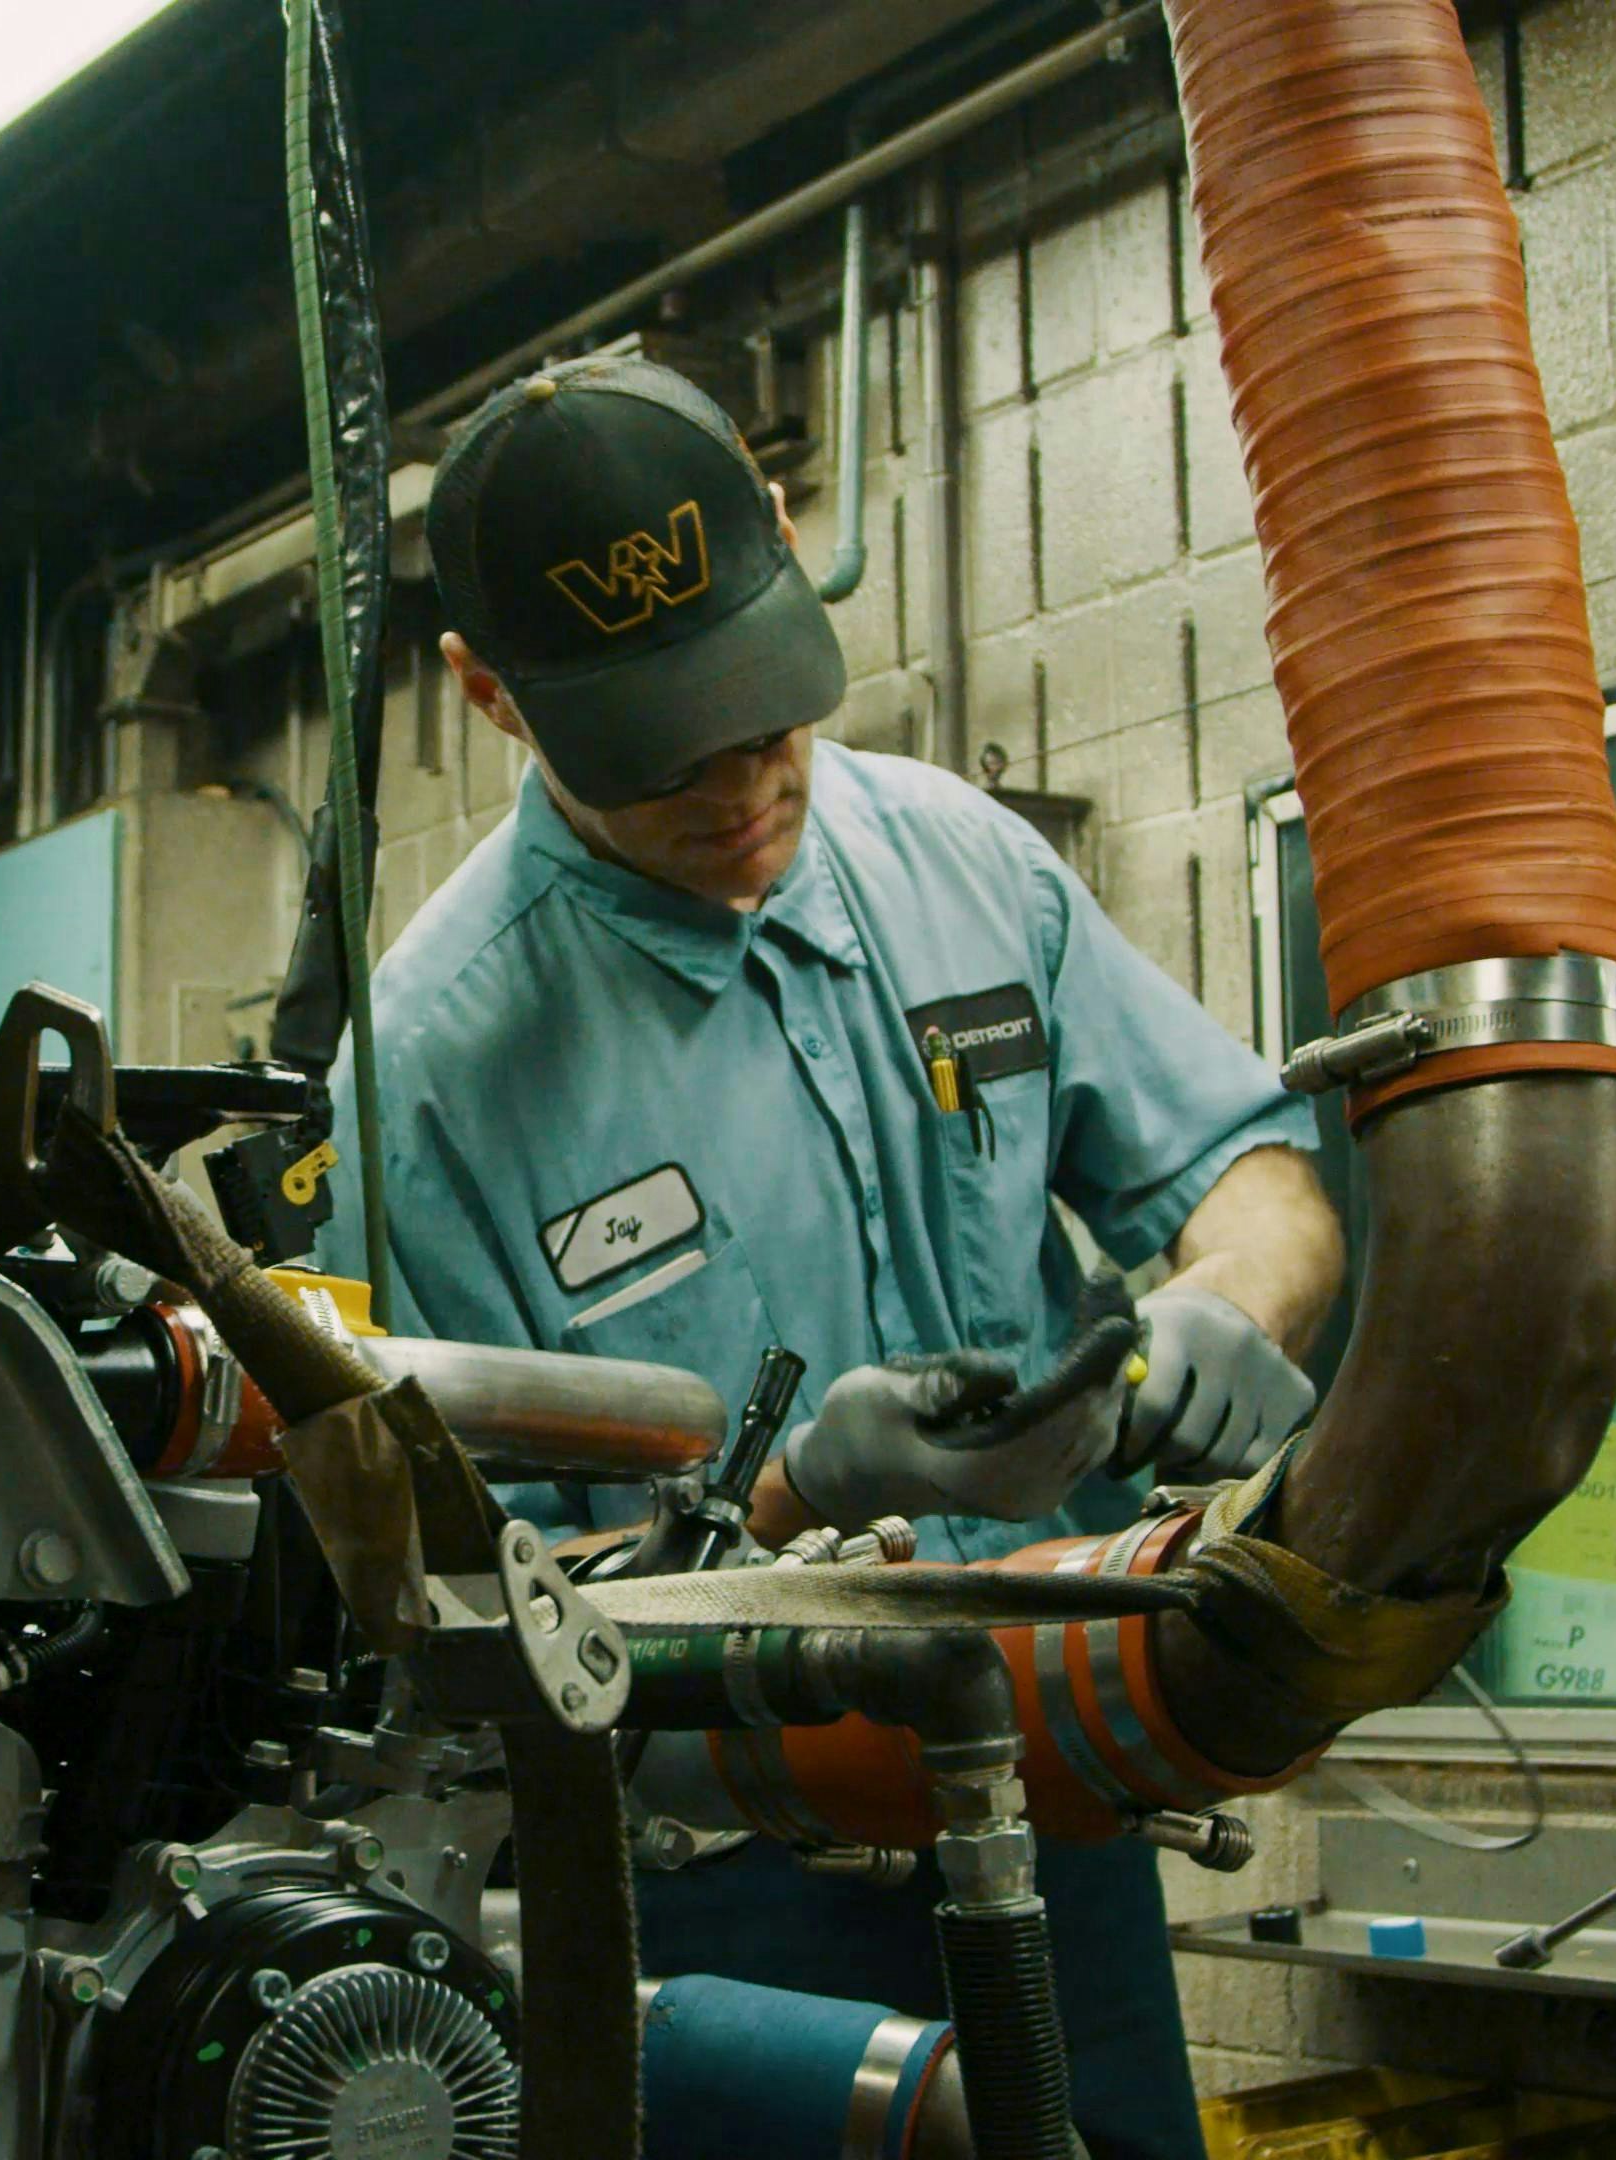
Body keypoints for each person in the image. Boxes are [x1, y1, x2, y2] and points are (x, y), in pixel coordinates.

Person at [327, 354, 1345, 2160]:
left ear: (788, 544)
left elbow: (1252, 1172)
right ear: (491, 694)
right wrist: (795, 1489)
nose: (739, 786)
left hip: (1047, 1826)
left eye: (765, 709)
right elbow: (451, 1647)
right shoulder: (428, 1086)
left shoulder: (963, 864)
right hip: (715, 1906)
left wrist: (1223, 1302)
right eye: (663, 750)